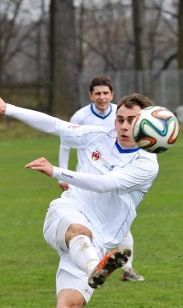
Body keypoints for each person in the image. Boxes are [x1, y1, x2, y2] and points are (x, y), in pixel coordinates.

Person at [0, 92, 159, 308]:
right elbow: (56, 126)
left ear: (146, 123)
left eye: (131, 120)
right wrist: (7, 108)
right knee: (81, 232)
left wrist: (57, 172)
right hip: (66, 218)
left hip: (101, 242)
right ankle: (96, 266)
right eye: (120, 118)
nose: (122, 125)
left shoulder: (147, 163)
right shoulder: (98, 135)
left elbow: (107, 184)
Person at [59, 75, 145, 282]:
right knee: (82, 224)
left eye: (106, 93)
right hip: (85, 182)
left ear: (112, 94)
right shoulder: (80, 117)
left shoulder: (121, 114)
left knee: (122, 225)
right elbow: (65, 143)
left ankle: (126, 269)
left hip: (113, 179)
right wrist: (62, 174)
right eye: (97, 93)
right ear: (91, 95)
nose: (102, 97)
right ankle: (89, 264)